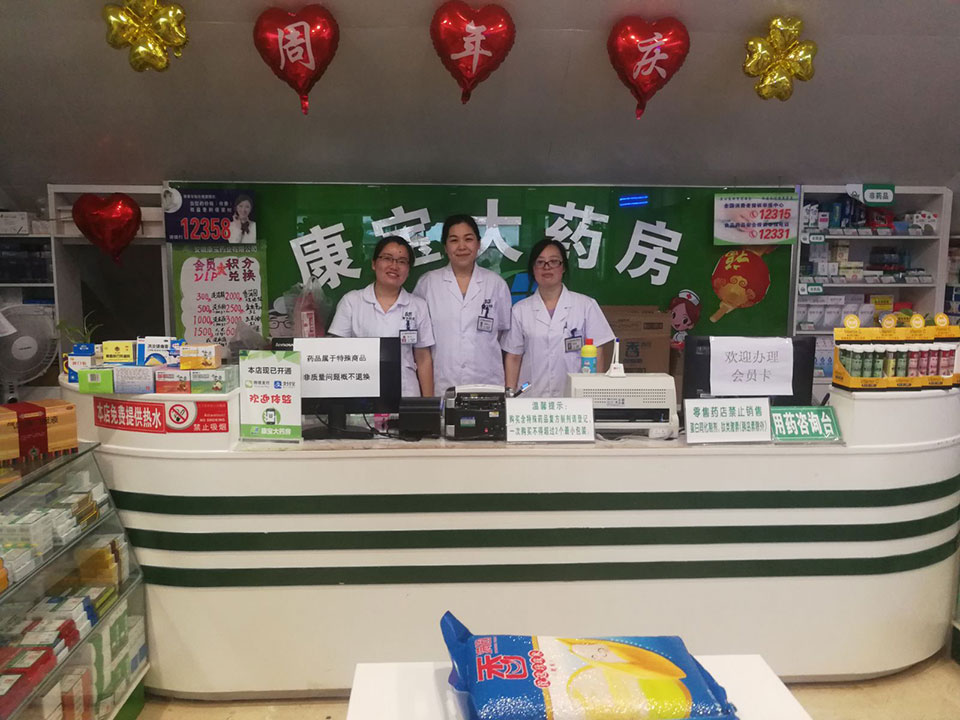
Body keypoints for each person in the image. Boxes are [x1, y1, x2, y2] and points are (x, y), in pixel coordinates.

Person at [413, 214, 512, 396]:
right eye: (454, 240)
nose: (462, 247)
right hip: (442, 383)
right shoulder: (427, 284)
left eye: (468, 239)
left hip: (487, 383)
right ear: (445, 247)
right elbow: (421, 343)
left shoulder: (496, 284)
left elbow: (501, 335)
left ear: (478, 244)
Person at [502, 239, 614, 397]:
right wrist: (509, 396)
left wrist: (594, 394)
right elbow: (514, 357)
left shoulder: (586, 305)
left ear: (563, 267)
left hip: (575, 397)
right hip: (530, 398)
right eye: (540, 262)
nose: (547, 267)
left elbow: (598, 353)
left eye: (554, 261)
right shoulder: (520, 310)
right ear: (533, 269)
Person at [328, 236, 434, 397]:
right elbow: (335, 352)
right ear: (374, 263)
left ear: (408, 269)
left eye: (402, 261)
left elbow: (423, 358)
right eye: (387, 258)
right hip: (360, 393)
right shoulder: (351, 301)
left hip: (405, 392)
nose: (394, 266)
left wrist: (428, 404)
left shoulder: (418, 306)